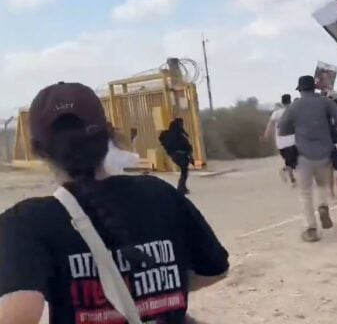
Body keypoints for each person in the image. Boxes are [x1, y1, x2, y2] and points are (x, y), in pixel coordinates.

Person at [0, 82, 229, 323]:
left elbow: (20, 314)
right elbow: (214, 270)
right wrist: (155, 293)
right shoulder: (161, 194)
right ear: (109, 134)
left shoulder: (26, 223)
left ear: (36, 149)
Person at [279, 75, 337, 242]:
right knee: (322, 185)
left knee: (305, 193)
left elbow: (282, 129)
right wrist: (327, 124)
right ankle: (323, 206)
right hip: (324, 153)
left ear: (300, 90)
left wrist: (297, 127)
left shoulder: (294, 106)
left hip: (303, 155)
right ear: (314, 87)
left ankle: (311, 229)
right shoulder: (325, 102)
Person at [264, 94, 297, 186]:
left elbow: (270, 124)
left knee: (288, 160)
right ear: (290, 101)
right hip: (292, 140)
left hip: (280, 142)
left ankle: (292, 179)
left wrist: (266, 135)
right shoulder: (293, 111)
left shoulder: (276, 113)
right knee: (293, 161)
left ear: (282, 103)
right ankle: (286, 172)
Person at [159, 118, 194, 195]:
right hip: (182, 154)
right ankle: (181, 188)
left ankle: (182, 187)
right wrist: (191, 157)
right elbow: (187, 146)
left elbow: (162, 142)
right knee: (184, 171)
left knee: (184, 170)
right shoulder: (179, 134)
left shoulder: (167, 134)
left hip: (173, 155)